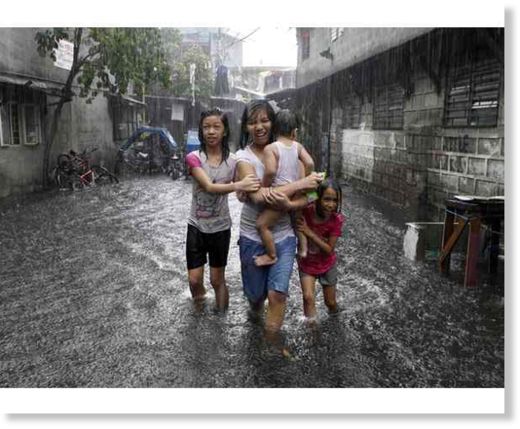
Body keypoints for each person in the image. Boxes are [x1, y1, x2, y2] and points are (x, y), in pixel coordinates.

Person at [235, 100, 322, 353]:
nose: (259, 126)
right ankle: (254, 315)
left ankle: (271, 345)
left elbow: (315, 195)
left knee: (278, 295)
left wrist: (294, 204)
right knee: (255, 298)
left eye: (264, 120)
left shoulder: (293, 151)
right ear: (246, 127)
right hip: (253, 235)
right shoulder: (243, 158)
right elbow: (258, 196)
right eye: (252, 122)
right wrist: (298, 185)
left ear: (274, 122)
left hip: (284, 235)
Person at [185, 108, 261, 312]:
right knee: (194, 280)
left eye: (216, 127)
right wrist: (239, 186)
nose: (211, 131)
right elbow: (209, 187)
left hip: (220, 228)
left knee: (217, 280)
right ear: (201, 131)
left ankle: (220, 321)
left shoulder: (234, 161)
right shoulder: (193, 158)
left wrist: (244, 192)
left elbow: (241, 192)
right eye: (206, 127)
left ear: (225, 130)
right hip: (196, 226)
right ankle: (199, 312)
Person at [254, 109, 315, 267]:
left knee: (262, 224)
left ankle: (271, 255)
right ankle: (303, 248)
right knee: (298, 220)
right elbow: (309, 163)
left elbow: (271, 171)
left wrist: (264, 186)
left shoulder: (271, 148)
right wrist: (306, 180)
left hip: (280, 195)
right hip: (295, 192)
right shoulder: (298, 146)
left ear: (274, 130)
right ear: (295, 132)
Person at [296, 178, 345, 320]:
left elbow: (329, 249)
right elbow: (302, 196)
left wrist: (308, 231)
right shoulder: (307, 208)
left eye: (335, 201)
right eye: (326, 199)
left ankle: (336, 319)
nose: (331, 205)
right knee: (308, 297)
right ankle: (312, 330)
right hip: (307, 263)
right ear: (318, 198)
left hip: (327, 264)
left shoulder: (336, 220)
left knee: (330, 302)